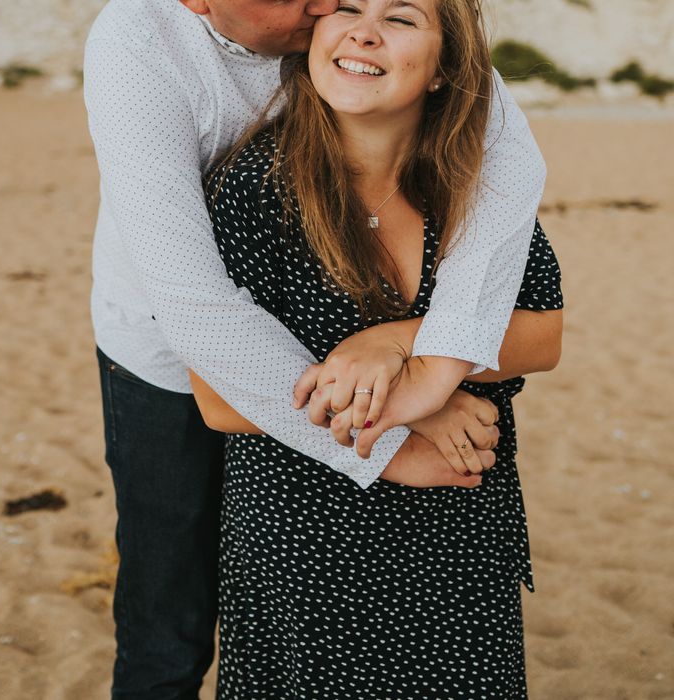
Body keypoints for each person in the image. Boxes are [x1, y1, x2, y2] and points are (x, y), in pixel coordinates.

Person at [83, 0, 547, 697]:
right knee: (169, 619)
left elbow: (506, 148)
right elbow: (196, 308)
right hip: (163, 355)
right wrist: (397, 425)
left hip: (333, 359)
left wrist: (421, 357)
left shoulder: (346, 37)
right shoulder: (138, 46)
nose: (327, 5)